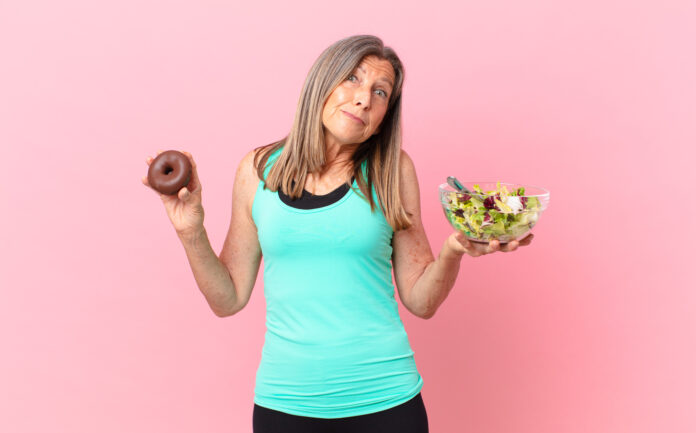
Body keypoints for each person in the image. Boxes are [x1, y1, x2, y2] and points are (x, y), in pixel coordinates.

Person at [142, 34, 533, 433]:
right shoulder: (257, 171)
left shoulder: (392, 171)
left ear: (385, 115)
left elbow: (420, 300)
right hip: (285, 405)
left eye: (380, 92)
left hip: (387, 402)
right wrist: (191, 232)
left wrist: (454, 250)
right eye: (352, 78)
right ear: (321, 83)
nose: (364, 98)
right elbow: (228, 299)